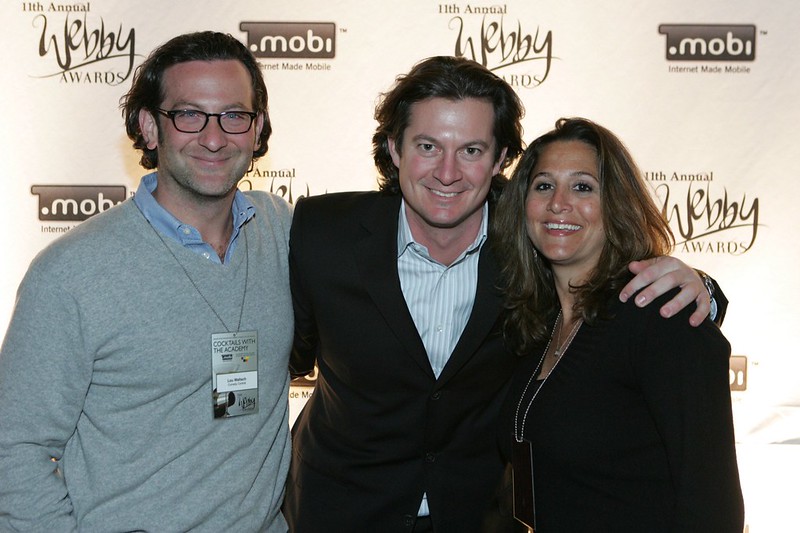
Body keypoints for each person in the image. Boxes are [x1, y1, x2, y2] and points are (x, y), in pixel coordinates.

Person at [284, 56, 723, 532]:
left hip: (477, 517)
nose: (447, 172)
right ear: (394, 148)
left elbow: (612, 281)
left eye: (471, 150)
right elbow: (287, 353)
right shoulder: (321, 234)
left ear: (500, 160)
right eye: (428, 146)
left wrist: (705, 291)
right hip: (339, 512)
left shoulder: (533, 246)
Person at [0, 32, 293, 531]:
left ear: (257, 126)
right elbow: (15, 448)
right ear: (149, 127)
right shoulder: (71, 273)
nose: (214, 136)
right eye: (188, 115)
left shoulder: (282, 231)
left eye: (233, 115)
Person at [493, 118, 744, 531]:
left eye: (582, 186)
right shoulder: (538, 324)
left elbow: (713, 505)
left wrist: (708, 290)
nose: (559, 203)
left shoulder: (661, 313)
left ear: (616, 203)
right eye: (543, 186)